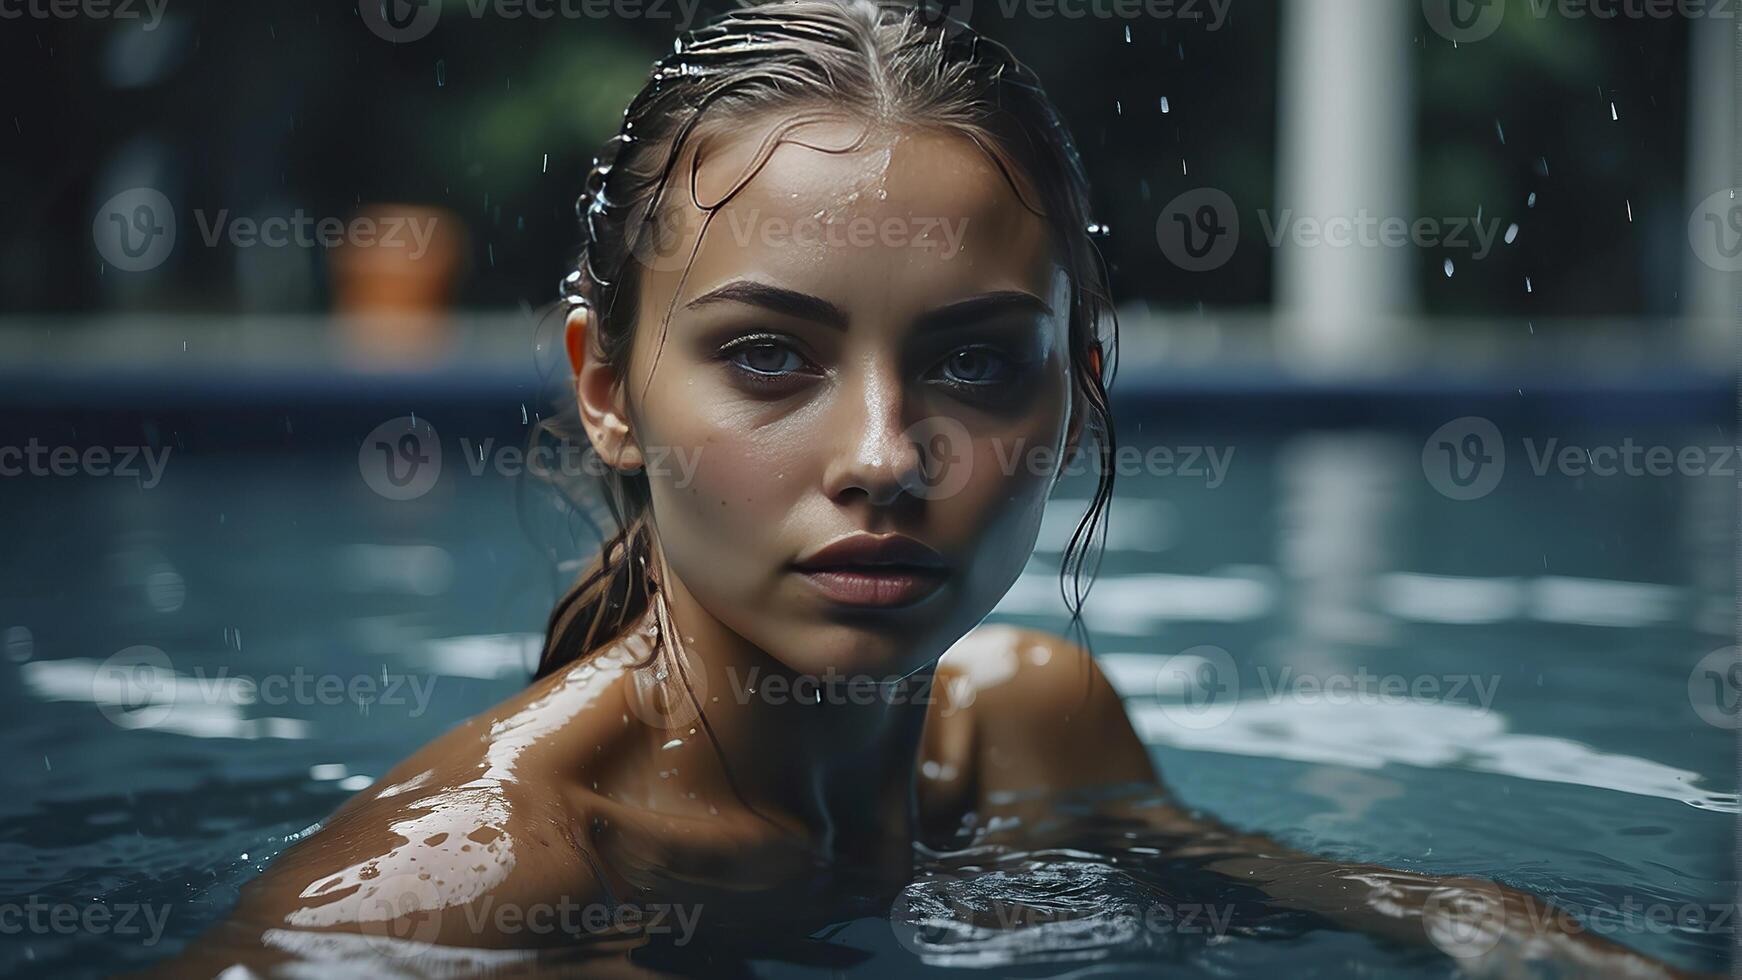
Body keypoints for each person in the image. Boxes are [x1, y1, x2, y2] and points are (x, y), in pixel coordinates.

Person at [159, 2, 1697, 975]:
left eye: (975, 365)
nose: (886, 457)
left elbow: (1271, 892)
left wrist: (1488, 923)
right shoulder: (478, 884)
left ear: (1076, 387)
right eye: (770, 359)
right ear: (608, 388)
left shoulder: (1030, 726)